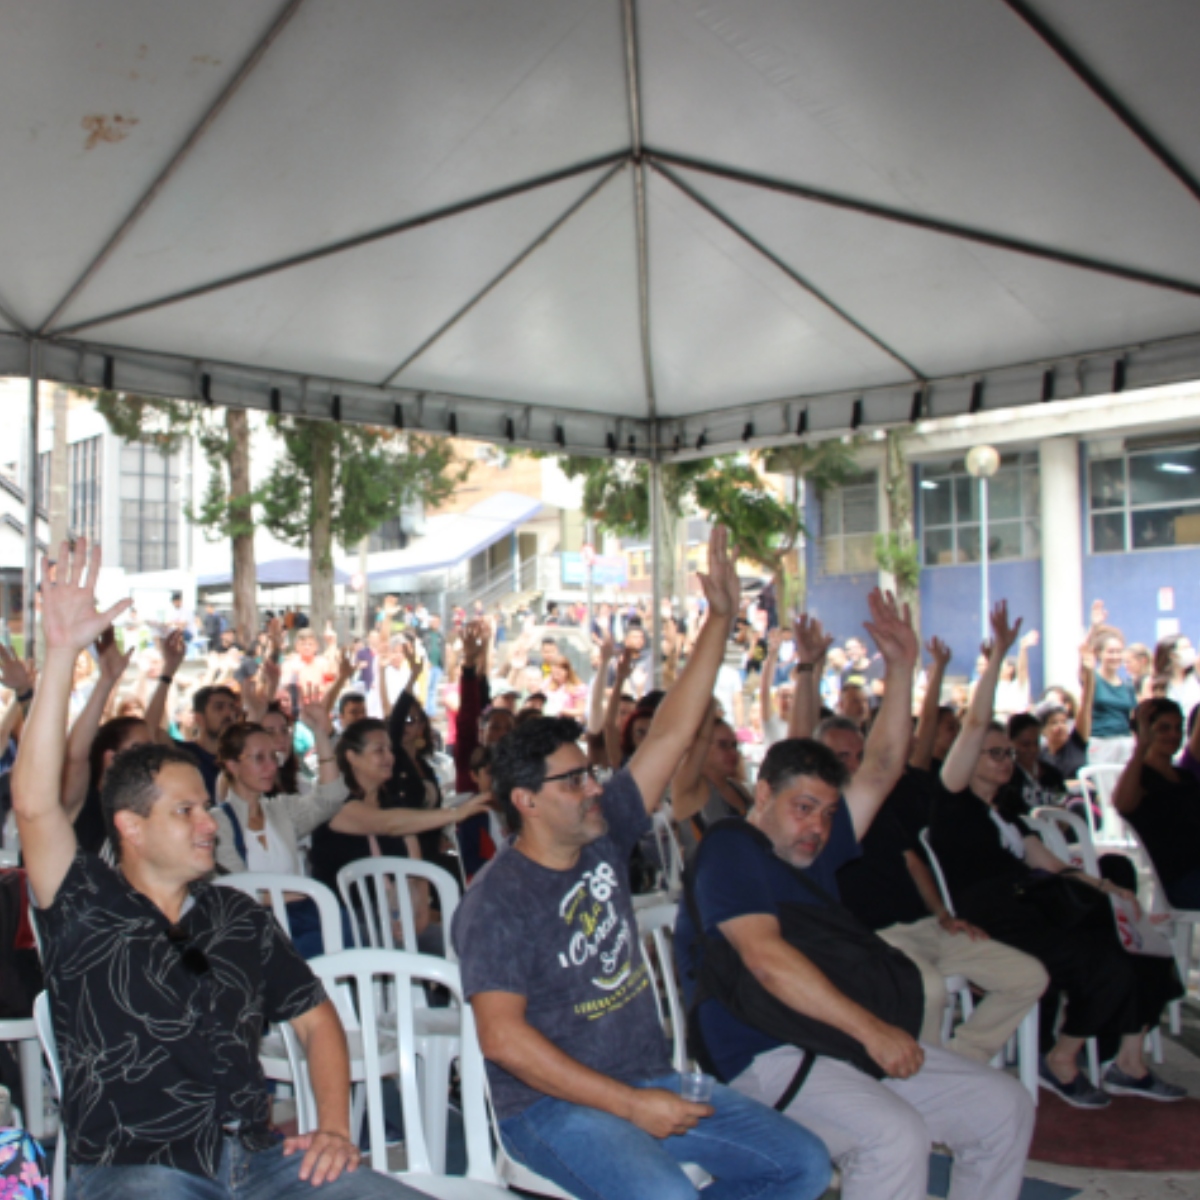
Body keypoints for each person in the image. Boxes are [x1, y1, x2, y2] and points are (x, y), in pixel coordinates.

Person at [12, 539, 417, 1199]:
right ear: (131, 827)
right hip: (136, 1170)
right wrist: (60, 655)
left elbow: (316, 1019)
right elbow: (34, 805)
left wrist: (336, 1129)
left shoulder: (235, 916)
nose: (208, 823)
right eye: (185, 811)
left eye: (206, 806)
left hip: (259, 1162)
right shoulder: (86, 904)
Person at [454, 528, 832, 1200]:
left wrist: (719, 619)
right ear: (526, 802)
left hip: (648, 1076)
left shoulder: (601, 834)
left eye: (591, 773)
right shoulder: (496, 901)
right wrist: (628, 1107)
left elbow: (671, 732)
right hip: (548, 1108)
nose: (594, 787)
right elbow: (503, 1040)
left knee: (801, 1164)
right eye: (573, 782)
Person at [678, 590, 1034, 1200]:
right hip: (760, 1051)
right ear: (763, 796)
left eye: (826, 812)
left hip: (831, 1037)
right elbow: (765, 959)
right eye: (803, 808)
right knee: (894, 1137)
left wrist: (901, 668)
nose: (817, 826)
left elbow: (885, 764)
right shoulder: (731, 848)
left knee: (1002, 1103)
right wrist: (872, 1032)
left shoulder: (815, 846)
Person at [932, 603, 1185, 1108]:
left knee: (1137, 944)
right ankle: (1062, 1059)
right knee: (1102, 960)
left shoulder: (1009, 813)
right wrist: (999, 656)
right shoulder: (952, 802)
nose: (1006, 762)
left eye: (1009, 754)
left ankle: (1128, 1060)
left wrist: (1108, 891)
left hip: (1035, 904)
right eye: (995, 753)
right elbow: (977, 720)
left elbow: (1050, 863)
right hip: (994, 917)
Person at [212, 710, 349, 958]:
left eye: (273, 757)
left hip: (296, 920)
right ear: (232, 766)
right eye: (259, 758)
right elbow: (238, 893)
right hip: (256, 933)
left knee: (342, 927)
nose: (271, 766)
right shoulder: (218, 823)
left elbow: (331, 799)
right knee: (331, 937)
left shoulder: (280, 810)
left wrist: (321, 736)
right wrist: (302, 892)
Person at [1113, 698, 1200, 909]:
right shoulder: (1143, 777)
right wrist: (1140, 748)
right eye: (1163, 728)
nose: (1174, 735)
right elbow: (1122, 804)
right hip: (1180, 879)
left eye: (1178, 728)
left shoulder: (1185, 776)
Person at [1088, 626, 1138, 764]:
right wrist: (1094, 627)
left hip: (1125, 742)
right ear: (1099, 653)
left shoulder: (1127, 685)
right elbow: (1084, 663)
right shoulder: (1093, 679)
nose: (1115, 656)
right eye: (1110, 652)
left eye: (1119, 652)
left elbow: (1133, 717)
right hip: (1101, 742)